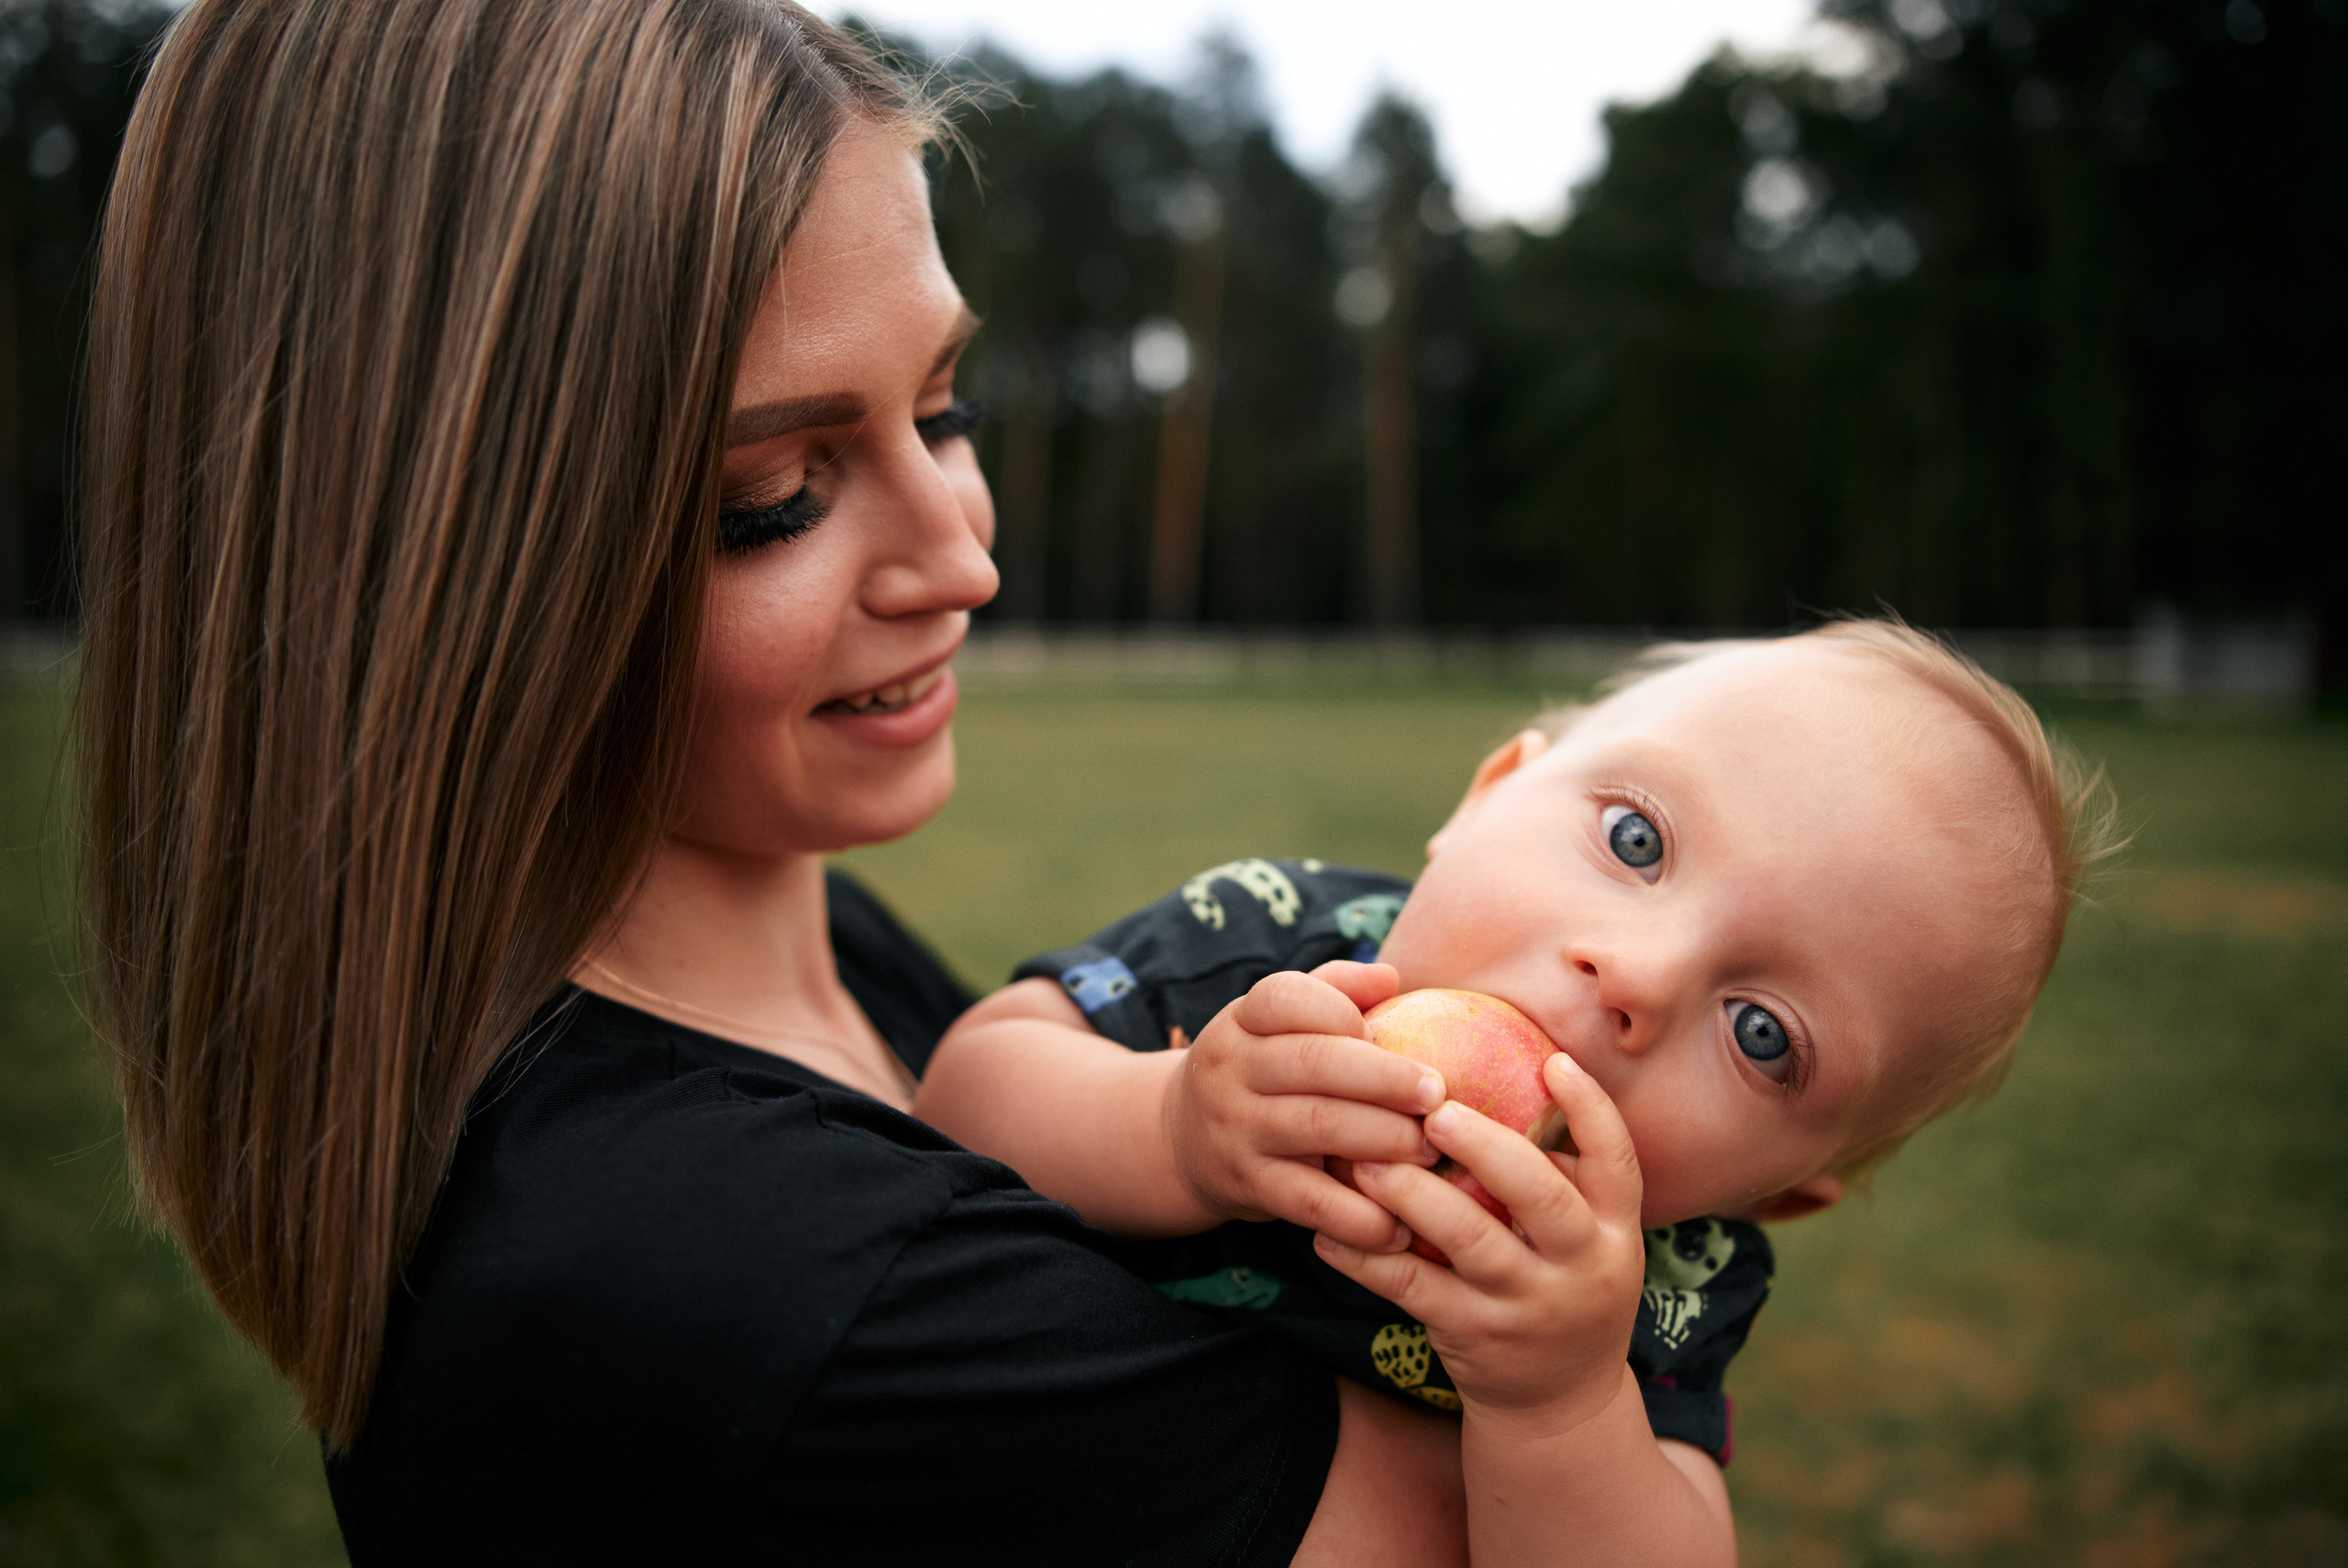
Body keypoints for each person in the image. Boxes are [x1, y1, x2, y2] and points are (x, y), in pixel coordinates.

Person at [75, 0, 1700, 1562]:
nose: (965, 559)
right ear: (425, 572)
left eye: (946, 406)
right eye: (774, 493)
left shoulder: (817, 954)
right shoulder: (756, 1270)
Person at [913, 621, 2120, 1559]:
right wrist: (1172, 1124)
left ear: (1773, 1197)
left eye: (1762, 1034)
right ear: (1484, 797)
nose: (1639, 974)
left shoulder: (1655, 1285)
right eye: (1638, 842)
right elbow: (955, 1101)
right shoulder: (1267, 951)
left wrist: (1561, 1406)